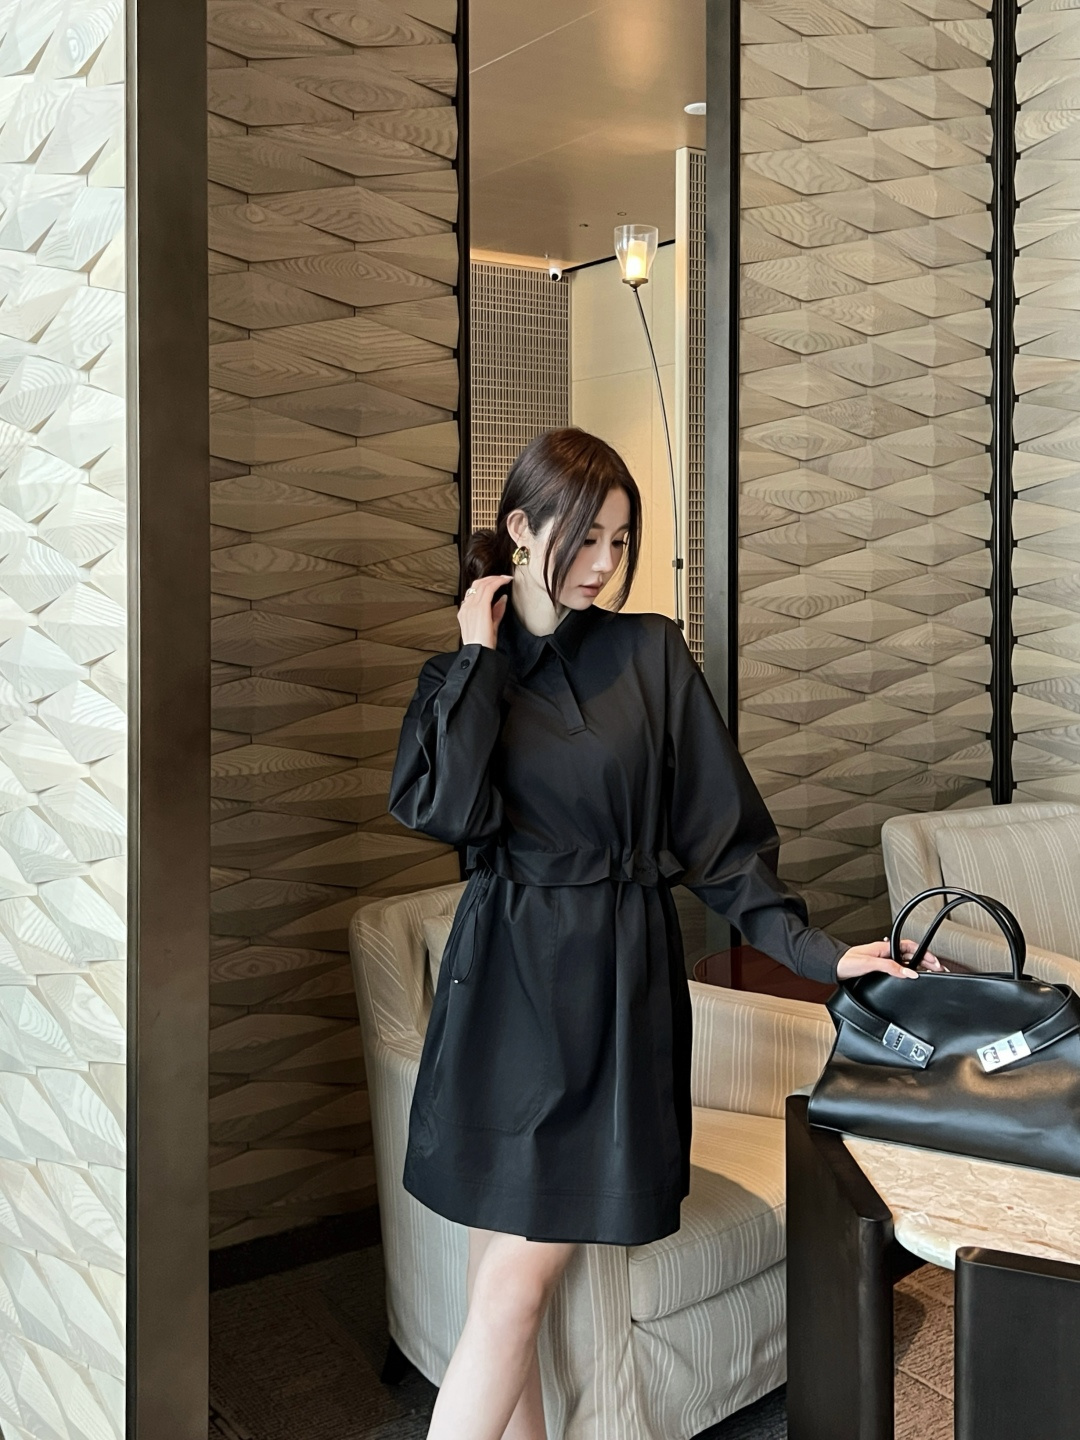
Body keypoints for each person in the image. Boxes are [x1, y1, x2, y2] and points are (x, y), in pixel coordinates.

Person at [388, 428, 940, 1440]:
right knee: (500, 1293)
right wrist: (477, 655)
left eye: (620, 540)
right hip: (500, 992)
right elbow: (445, 813)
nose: (604, 563)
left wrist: (822, 954)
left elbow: (722, 845)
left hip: (609, 991)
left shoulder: (649, 655)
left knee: (510, 1291)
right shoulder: (460, 675)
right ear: (521, 529)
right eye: (586, 538)